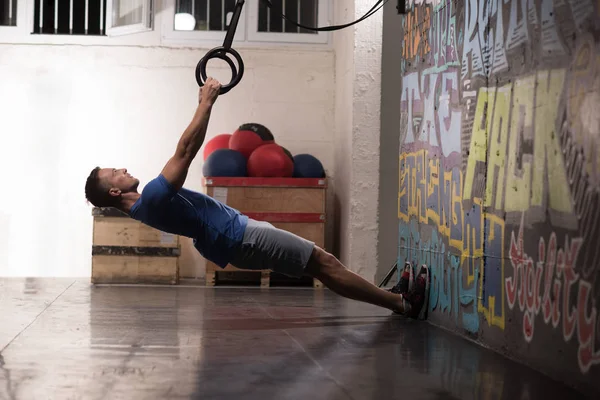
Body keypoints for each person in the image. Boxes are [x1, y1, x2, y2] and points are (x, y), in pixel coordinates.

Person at [84, 77, 427, 318]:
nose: (122, 169)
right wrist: (206, 101)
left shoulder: (145, 206)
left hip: (235, 237)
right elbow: (186, 150)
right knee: (324, 263)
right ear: (114, 191)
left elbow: (185, 152)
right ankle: (401, 304)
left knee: (320, 266)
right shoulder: (153, 198)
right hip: (239, 236)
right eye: (115, 173)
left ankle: (393, 299)